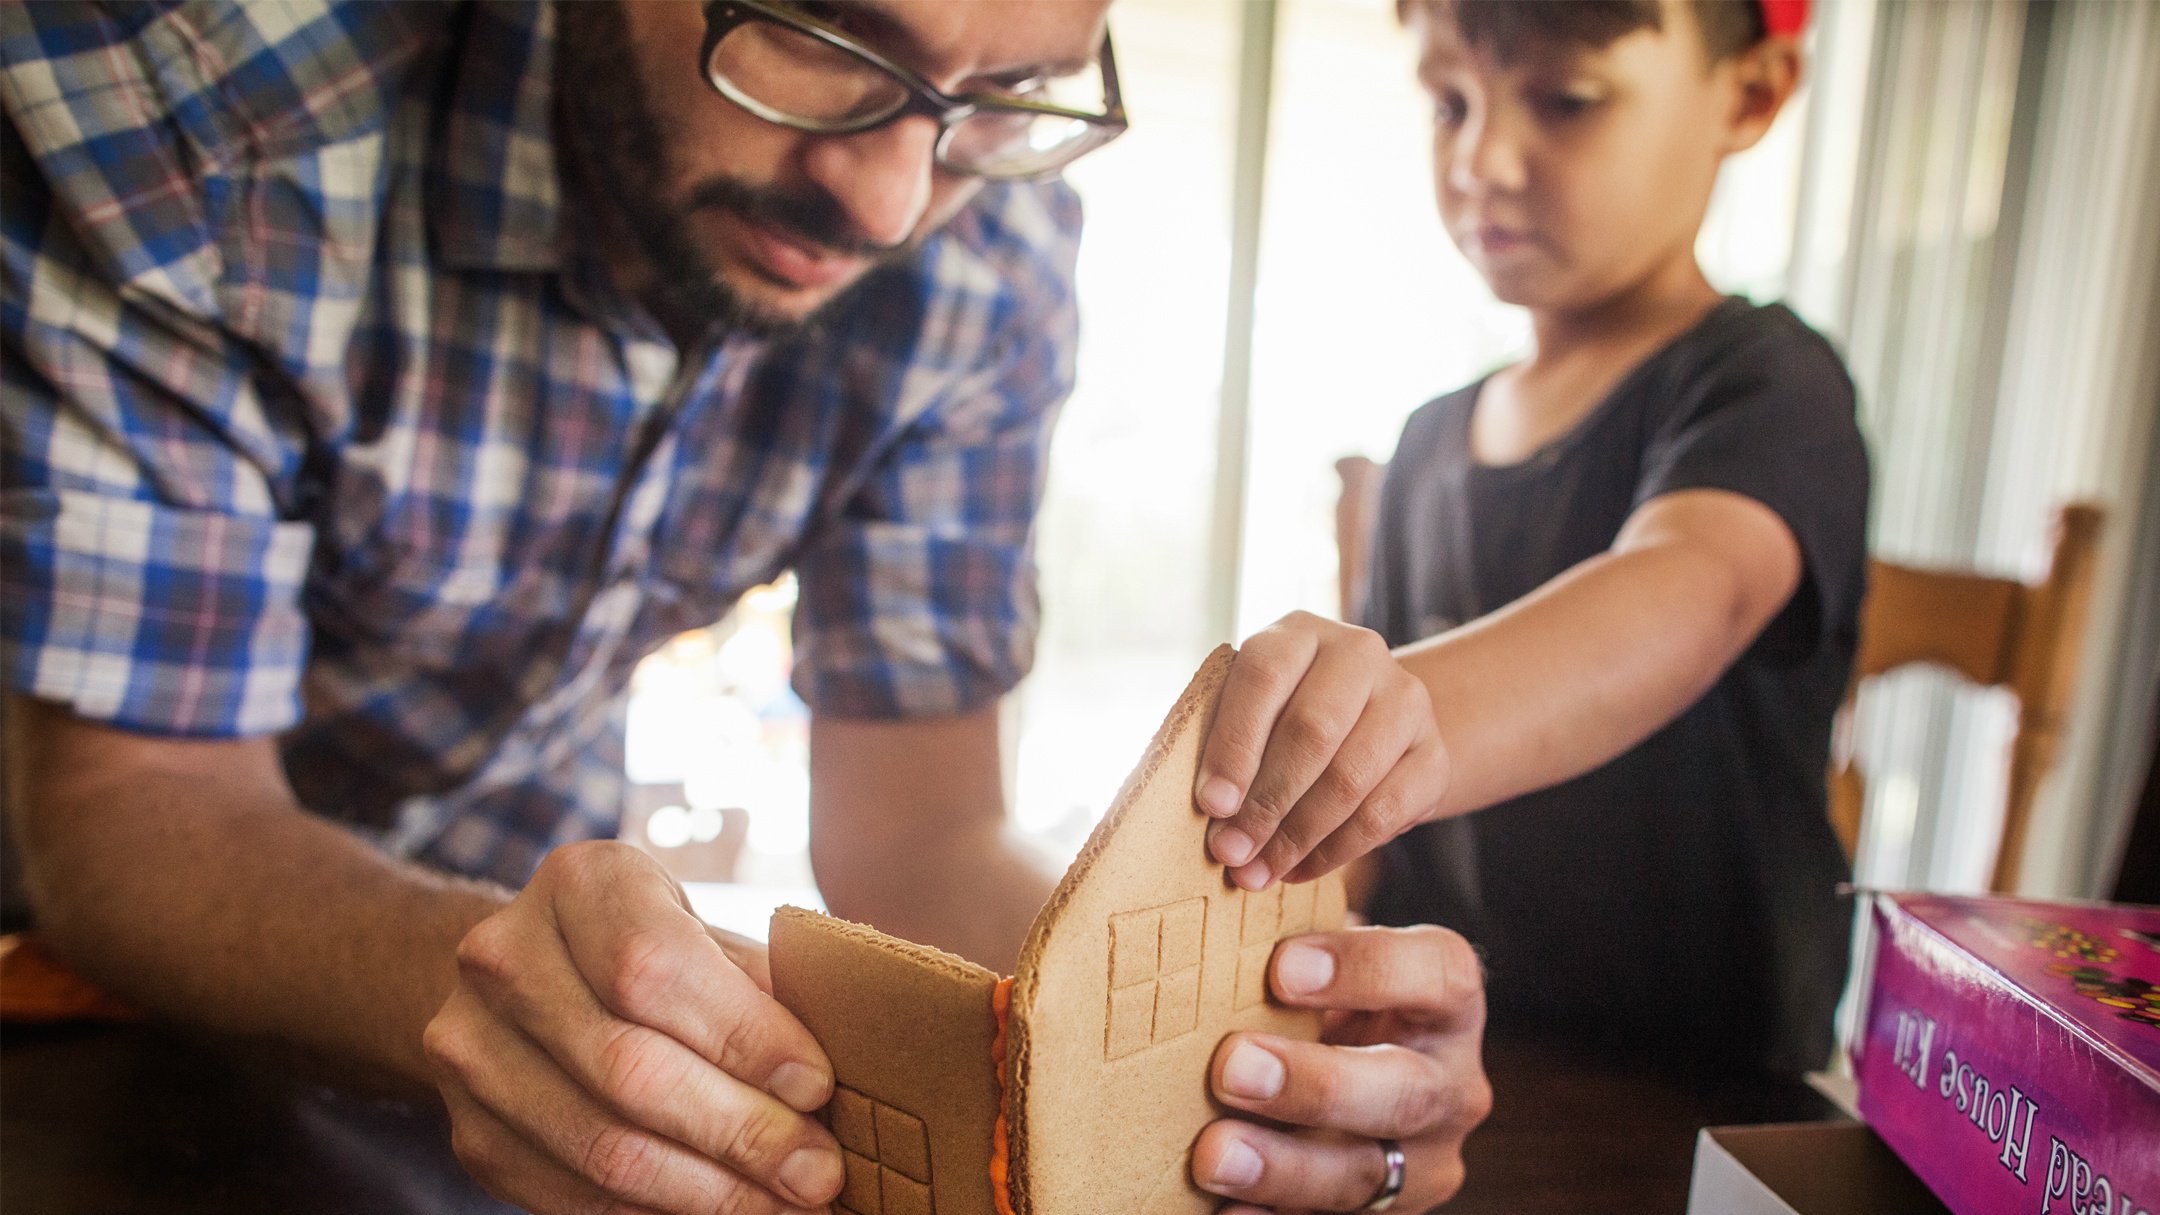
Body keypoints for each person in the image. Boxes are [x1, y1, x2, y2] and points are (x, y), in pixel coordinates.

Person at [0, 2, 1485, 1212]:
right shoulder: (204, 122)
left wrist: (1212, 1041)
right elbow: (135, 806)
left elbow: (914, 827)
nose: (894, 200)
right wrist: (507, 994)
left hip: (527, 975)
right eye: (829, 36)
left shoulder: (987, 251)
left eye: (1011, 91)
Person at [1193, 0, 1868, 1081]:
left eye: (1567, 100)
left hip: (1692, 1107)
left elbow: (1687, 589)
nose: (1484, 158)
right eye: (1450, 101)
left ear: (1748, 96)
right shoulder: (1427, 444)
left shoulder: (1763, 384)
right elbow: (1375, 862)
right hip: (1443, 1072)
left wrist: (1382, 733)